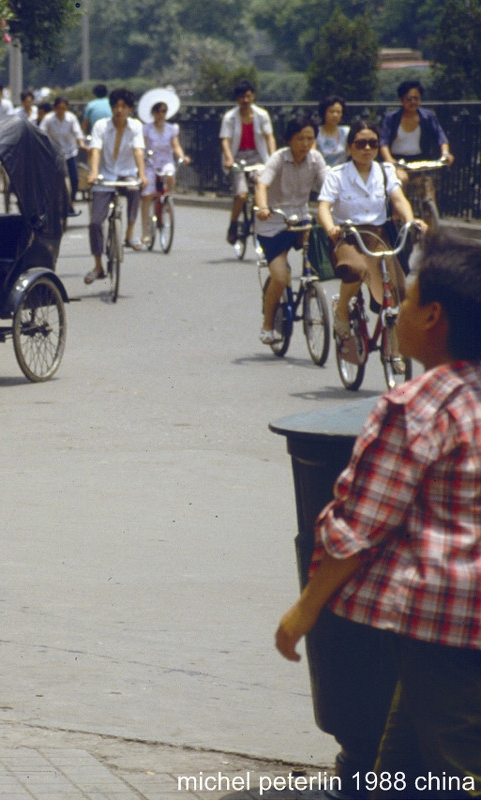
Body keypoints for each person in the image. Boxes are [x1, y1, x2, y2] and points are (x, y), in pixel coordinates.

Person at [275, 229, 481, 796]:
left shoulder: (416, 407)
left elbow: (357, 528)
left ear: (434, 316)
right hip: (442, 633)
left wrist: (304, 611)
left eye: (409, 299)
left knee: (459, 771)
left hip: (447, 630)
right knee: (398, 767)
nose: (400, 310)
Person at [317, 120, 425, 365]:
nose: (367, 148)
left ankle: (396, 351)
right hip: (348, 235)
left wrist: (411, 220)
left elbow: (398, 199)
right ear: (350, 146)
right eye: (360, 143)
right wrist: (331, 227)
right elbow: (323, 206)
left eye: (373, 143)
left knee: (397, 291)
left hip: (378, 236)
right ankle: (342, 310)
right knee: (356, 269)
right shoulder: (337, 174)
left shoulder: (385, 172)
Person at [253, 116, 327, 345]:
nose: (305, 144)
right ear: (289, 139)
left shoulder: (316, 159)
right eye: (300, 139)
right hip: (274, 222)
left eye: (310, 139)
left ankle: (310, 288)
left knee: (321, 259)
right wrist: (263, 207)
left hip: (302, 219)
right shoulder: (278, 158)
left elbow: (328, 186)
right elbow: (262, 184)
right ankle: (267, 325)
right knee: (279, 276)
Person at [84, 87, 146, 282]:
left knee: (135, 189)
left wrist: (142, 174)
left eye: (124, 106)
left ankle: (129, 234)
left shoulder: (135, 126)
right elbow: (95, 150)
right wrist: (94, 173)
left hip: (126, 173)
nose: (119, 110)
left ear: (130, 109)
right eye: (116, 106)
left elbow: (138, 151)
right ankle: (98, 265)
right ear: (111, 107)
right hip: (105, 176)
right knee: (95, 223)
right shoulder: (101, 126)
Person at [379, 79, 454, 208]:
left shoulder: (427, 117)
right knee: (401, 180)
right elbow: (383, 142)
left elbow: (440, 137)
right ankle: (398, 216)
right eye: (409, 99)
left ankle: (430, 223)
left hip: (419, 161)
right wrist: (389, 159)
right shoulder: (391, 118)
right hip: (398, 162)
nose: (413, 102)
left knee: (427, 186)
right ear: (401, 100)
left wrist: (445, 153)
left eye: (416, 98)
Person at [220, 80, 275, 245]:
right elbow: (225, 140)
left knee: (260, 186)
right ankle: (233, 224)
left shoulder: (262, 115)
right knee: (241, 194)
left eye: (248, 96)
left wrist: (273, 156)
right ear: (237, 99)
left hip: (257, 157)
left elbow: (269, 137)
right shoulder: (230, 117)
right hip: (237, 157)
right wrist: (229, 159)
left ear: (253, 97)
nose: (245, 100)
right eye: (242, 97)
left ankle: (263, 223)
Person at [139, 99, 190, 244]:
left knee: (170, 174)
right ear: (153, 113)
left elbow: (175, 145)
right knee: (147, 195)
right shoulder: (146, 129)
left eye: (163, 112)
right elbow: (141, 146)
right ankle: (144, 231)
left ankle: (167, 197)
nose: (161, 115)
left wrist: (182, 156)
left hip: (166, 161)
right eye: (158, 112)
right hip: (150, 163)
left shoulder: (171, 128)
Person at [40, 96, 86, 216]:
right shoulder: (48, 119)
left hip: (69, 153)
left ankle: (71, 202)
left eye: (63, 108)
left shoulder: (71, 118)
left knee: (74, 178)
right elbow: (41, 133)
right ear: (55, 108)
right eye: (58, 108)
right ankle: (49, 203)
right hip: (54, 154)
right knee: (49, 179)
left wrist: (82, 144)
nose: (61, 111)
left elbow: (77, 133)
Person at [315, 95, 349, 168]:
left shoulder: (346, 132)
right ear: (324, 113)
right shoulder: (316, 133)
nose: (335, 115)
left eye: (338, 112)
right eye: (331, 111)